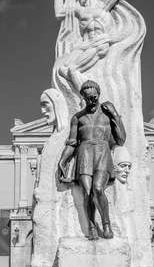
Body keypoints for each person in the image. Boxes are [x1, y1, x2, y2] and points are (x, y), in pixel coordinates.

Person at [58, 80, 126, 240]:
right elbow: (72, 143)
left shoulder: (108, 115)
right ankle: (91, 226)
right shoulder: (77, 118)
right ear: (83, 97)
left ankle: (106, 224)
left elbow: (121, 139)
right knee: (87, 192)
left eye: (94, 97)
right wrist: (63, 161)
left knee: (97, 189)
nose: (92, 101)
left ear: (99, 95)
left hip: (103, 153)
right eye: (88, 98)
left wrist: (115, 114)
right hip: (84, 155)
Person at [54, 0, 123, 90]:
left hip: (99, 42)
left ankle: (88, 97)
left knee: (73, 69)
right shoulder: (79, 11)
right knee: (61, 69)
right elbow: (59, 13)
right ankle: (87, 87)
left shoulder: (103, 6)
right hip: (84, 44)